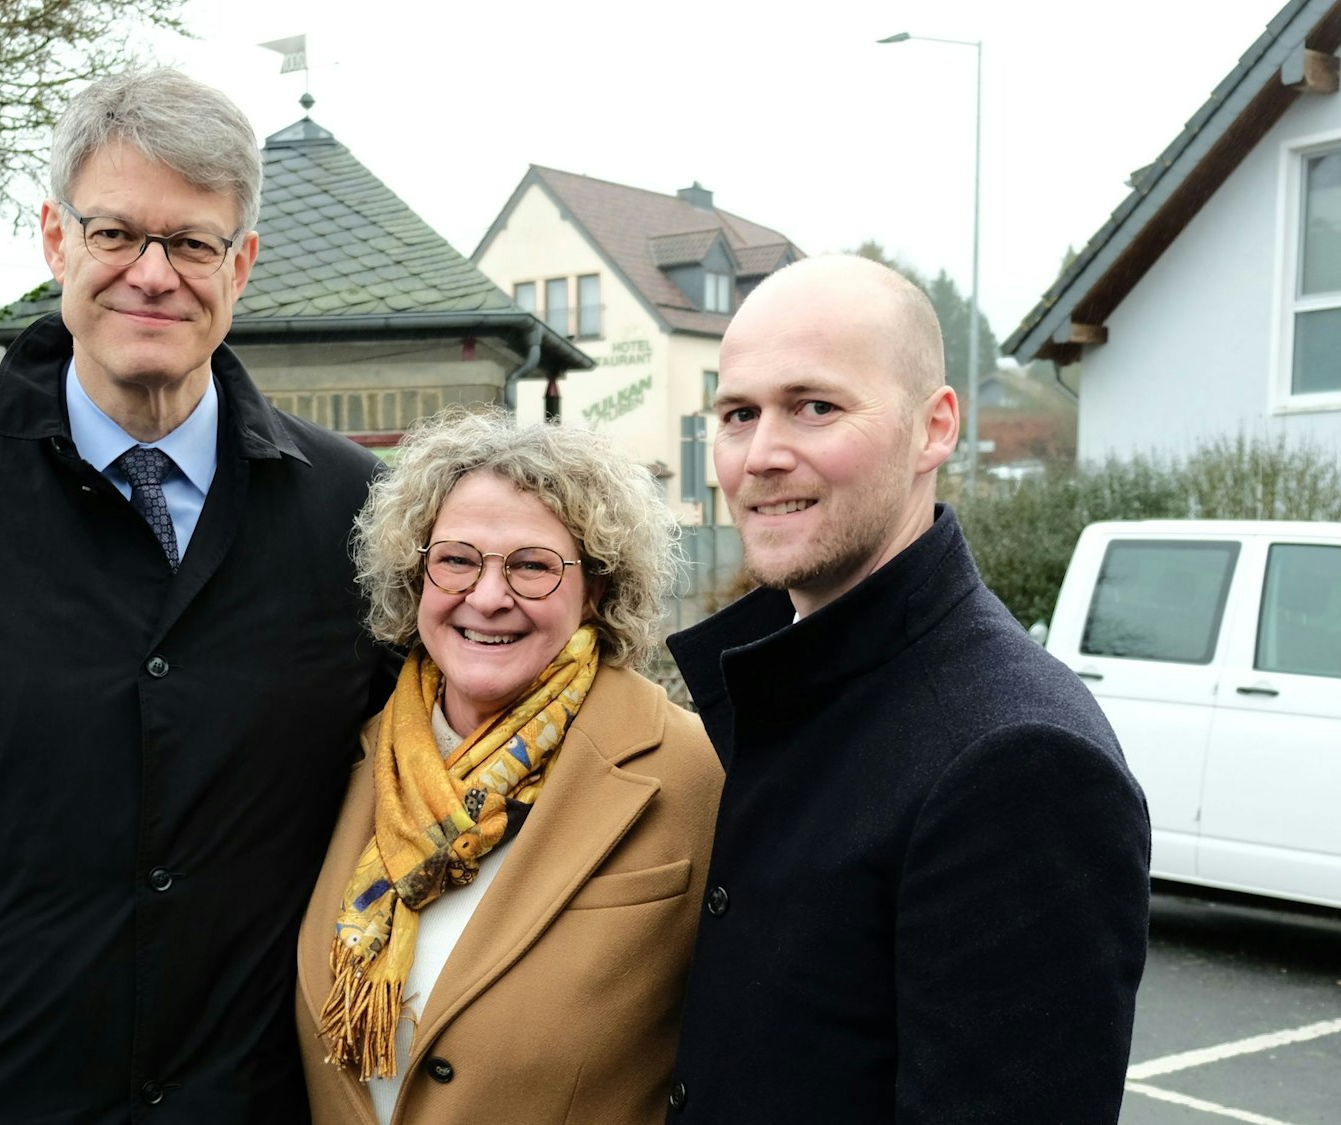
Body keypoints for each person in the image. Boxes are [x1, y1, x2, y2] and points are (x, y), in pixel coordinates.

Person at [0, 69, 395, 1125]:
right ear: (57, 241)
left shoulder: (352, 511)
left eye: (190, 243)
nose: (152, 274)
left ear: (240, 266)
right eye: (116, 233)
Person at [663, 255, 1151, 1122]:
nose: (761, 455)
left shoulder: (1018, 758)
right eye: (739, 414)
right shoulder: (795, 682)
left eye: (815, 406)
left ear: (935, 428)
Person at [294, 410, 724, 1125]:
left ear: (597, 588)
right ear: (417, 576)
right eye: (457, 560)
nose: (489, 596)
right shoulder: (350, 758)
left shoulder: (696, 772)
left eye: (532, 566)